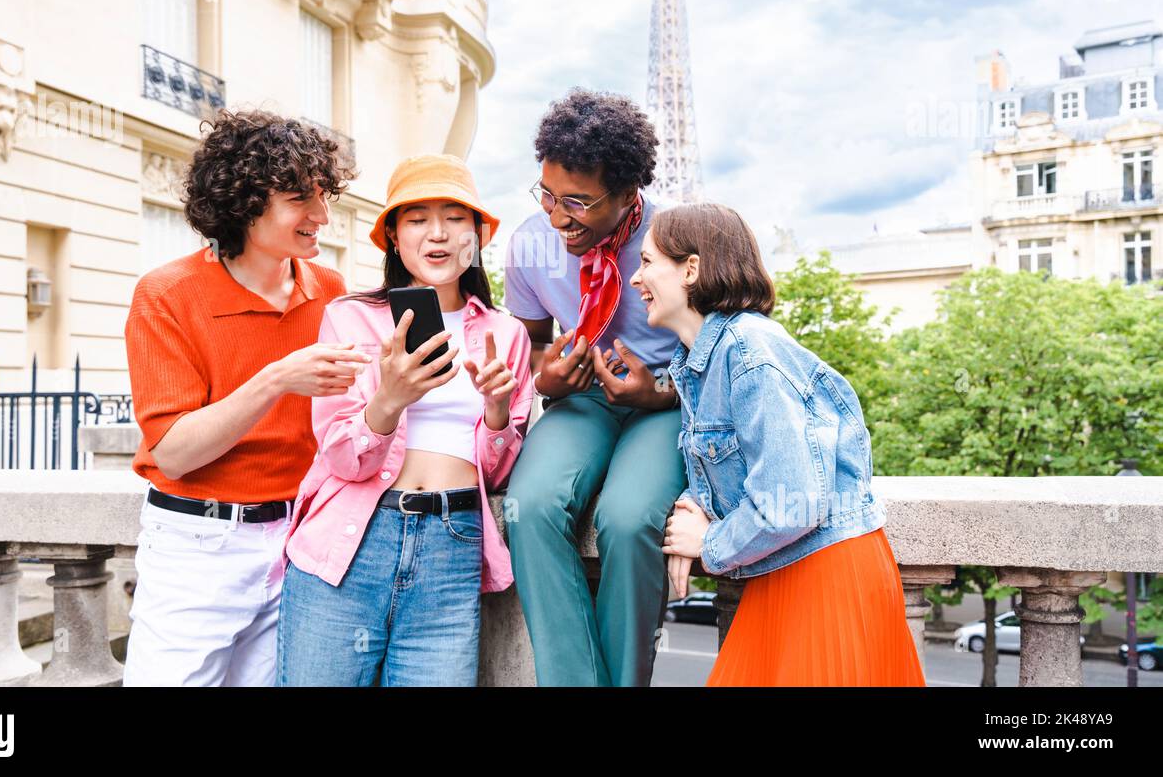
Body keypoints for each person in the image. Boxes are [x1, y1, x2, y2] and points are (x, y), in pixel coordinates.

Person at [122, 110, 371, 687]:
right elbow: (175, 453)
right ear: (243, 202)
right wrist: (277, 379)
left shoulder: (331, 292)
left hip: (300, 547)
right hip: (197, 547)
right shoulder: (165, 295)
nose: (322, 217)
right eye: (299, 200)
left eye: (324, 196)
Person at [635, 202, 926, 686]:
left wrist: (710, 544)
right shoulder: (698, 359)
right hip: (786, 572)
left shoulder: (750, 352)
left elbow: (791, 503)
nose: (634, 279)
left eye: (646, 263)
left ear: (691, 269)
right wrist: (694, 505)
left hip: (825, 577)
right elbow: (731, 463)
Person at [275, 154, 536, 687]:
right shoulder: (350, 318)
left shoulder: (507, 334)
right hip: (352, 541)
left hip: (452, 546)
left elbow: (497, 470)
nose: (437, 234)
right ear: (393, 236)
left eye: (455, 217)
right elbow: (343, 458)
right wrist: (389, 401)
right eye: (417, 219)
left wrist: (496, 412)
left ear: (478, 234)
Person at [501, 88, 686, 687]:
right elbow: (529, 343)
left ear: (630, 192)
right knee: (528, 508)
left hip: (667, 401)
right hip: (580, 399)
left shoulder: (680, 239)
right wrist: (543, 376)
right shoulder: (529, 244)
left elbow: (719, 354)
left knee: (630, 519)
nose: (558, 217)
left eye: (578, 203)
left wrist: (655, 394)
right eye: (548, 195)